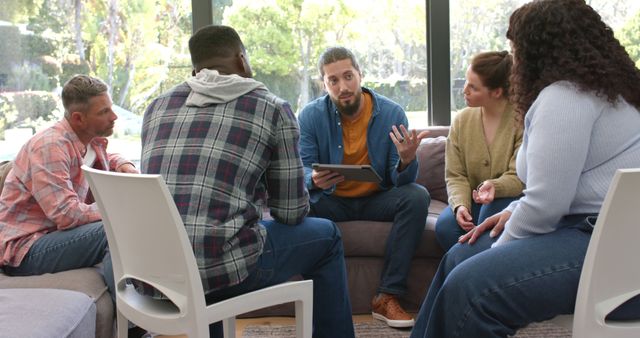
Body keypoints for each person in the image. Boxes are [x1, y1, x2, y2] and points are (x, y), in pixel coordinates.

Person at [411, 0, 640, 337]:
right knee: (459, 255)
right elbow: (581, 183)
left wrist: (499, 250)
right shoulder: (615, 92)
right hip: (609, 234)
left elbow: (548, 205)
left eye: (515, 48)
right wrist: (515, 210)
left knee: (471, 286)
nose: (513, 59)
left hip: (604, 245)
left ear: (536, 50)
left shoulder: (565, 98)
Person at [140, 25, 354, 337]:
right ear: (242, 60)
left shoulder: (156, 107)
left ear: (195, 69)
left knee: (205, 238)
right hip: (216, 271)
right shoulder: (271, 107)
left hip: (155, 272)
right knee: (328, 237)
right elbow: (291, 213)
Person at [298, 46, 431, 328]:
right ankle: (314, 297)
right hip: (331, 200)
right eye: (333, 80)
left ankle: (387, 295)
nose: (343, 87)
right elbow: (303, 168)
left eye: (348, 76)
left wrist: (407, 161)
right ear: (324, 84)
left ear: (360, 74)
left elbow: (401, 182)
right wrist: (313, 179)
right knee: (298, 203)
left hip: (377, 198)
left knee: (417, 196)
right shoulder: (310, 116)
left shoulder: (392, 112)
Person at [0, 74, 137, 302]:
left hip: (52, 237)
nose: (114, 117)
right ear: (78, 118)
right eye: (103, 112)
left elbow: (101, 156)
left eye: (110, 109)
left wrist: (122, 163)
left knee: (128, 224)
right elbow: (67, 215)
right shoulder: (50, 146)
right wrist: (118, 207)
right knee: (113, 230)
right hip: (26, 250)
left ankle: (143, 307)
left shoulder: (86, 138)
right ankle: (132, 319)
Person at [435, 51, 524, 251]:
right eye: (466, 82)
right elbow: (455, 175)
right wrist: (460, 206)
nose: (464, 90)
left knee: (489, 215)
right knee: (446, 226)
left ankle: (468, 276)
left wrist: (495, 186)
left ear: (497, 92)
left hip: (507, 200)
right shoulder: (461, 120)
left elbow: (520, 176)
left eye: (473, 87)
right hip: (473, 202)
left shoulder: (521, 120)